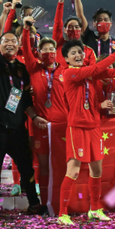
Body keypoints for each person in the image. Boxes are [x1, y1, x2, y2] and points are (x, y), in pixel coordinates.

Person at [57, 38, 115, 225]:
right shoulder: (69, 73)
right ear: (66, 59)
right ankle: (62, 214)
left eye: (80, 52)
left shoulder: (90, 73)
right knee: (73, 171)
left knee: (97, 170)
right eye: (73, 53)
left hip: (94, 127)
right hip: (77, 128)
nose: (78, 55)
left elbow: (114, 72)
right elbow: (97, 68)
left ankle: (94, 209)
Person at [0, 0, 42, 220]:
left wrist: (34, 117)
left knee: (26, 167)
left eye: (13, 41)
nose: (9, 44)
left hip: (18, 128)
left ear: (18, 46)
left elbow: (25, 99)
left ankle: (34, 204)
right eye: (5, 41)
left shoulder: (22, 70)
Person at [22, 14, 68, 213]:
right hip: (40, 125)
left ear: (56, 53)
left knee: (62, 165)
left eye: (51, 49)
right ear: (39, 53)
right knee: (43, 166)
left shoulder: (65, 71)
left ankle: (62, 202)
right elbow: (25, 49)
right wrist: (26, 29)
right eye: (44, 50)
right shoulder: (34, 69)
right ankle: (46, 203)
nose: (48, 52)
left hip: (62, 126)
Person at [52, 0, 97, 67]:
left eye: (76, 27)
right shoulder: (59, 45)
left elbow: (93, 71)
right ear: (65, 30)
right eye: (70, 27)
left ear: (81, 29)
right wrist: (61, 0)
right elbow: (57, 24)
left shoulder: (89, 51)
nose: (74, 29)